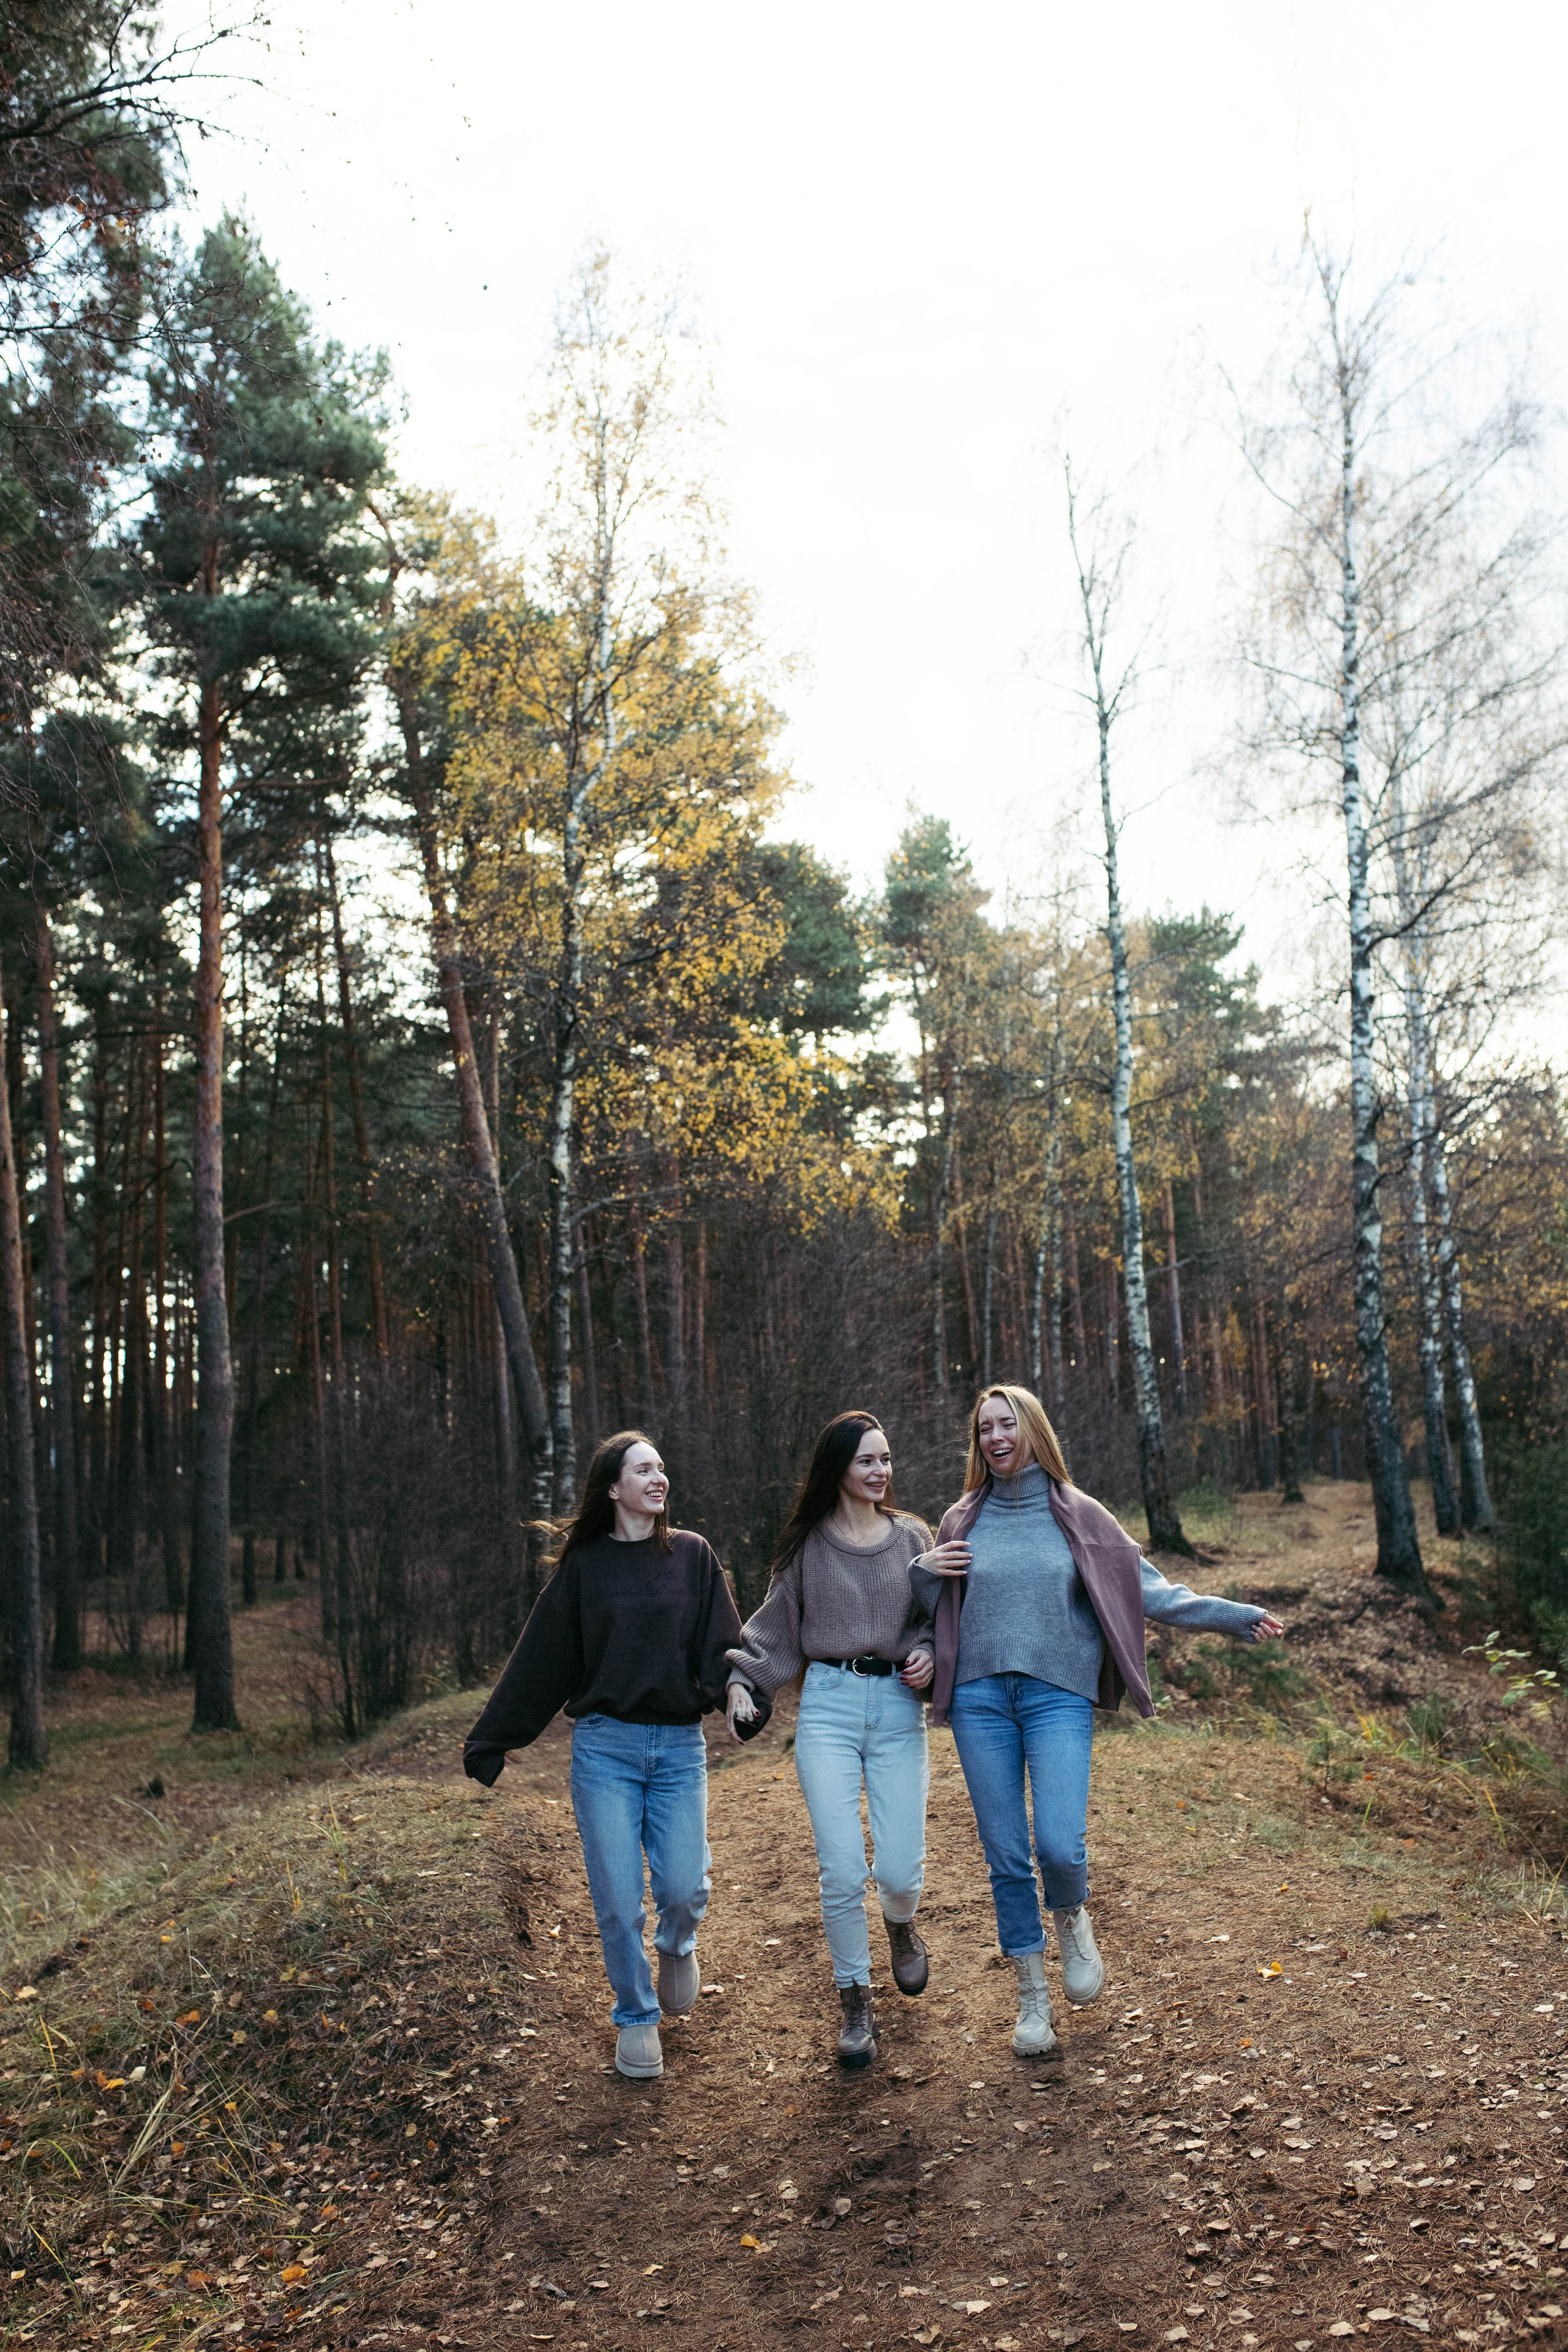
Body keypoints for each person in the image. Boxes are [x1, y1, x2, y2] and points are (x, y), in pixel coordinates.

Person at [912, 1384, 1284, 2060]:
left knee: (1059, 1845)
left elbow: (1152, 1592)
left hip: (1057, 1696)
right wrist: (922, 1571)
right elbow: (928, 1612)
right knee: (1005, 1854)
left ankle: (1072, 1915)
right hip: (978, 1700)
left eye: (1006, 1424)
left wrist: (1235, 1617)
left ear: (1032, 1430)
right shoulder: (960, 1519)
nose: (995, 1438)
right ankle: (1031, 1996)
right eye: (984, 1429)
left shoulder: (1080, 1515)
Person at [462, 1431, 761, 2082]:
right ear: (614, 1488)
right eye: (644, 1470)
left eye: (662, 1468)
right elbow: (541, 1659)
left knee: (684, 1887)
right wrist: (493, 1738)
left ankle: (676, 1945)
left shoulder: (692, 1555)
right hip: (605, 1751)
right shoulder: (585, 1569)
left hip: (678, 1748)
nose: (659, 1479)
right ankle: (635, 2017)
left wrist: (737, 1691)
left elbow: (721, 1642)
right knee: (619, 1901)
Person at [726, 1411, 935, 2070]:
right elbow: (772, 1631)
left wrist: (928, 1652)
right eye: (867, 1460)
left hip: (898, 1708)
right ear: (838, 1467)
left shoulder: (913, 1537)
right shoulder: (807, 1548)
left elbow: (938, 1618)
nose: (881, 1471)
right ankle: (854, 2000)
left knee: (898, 1871)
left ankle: (900, 1921)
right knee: (842, 1869)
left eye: (886, 1459)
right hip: (828, 1708)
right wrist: (743, 1682)